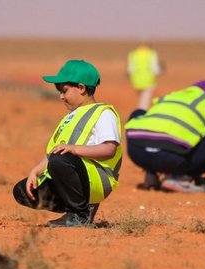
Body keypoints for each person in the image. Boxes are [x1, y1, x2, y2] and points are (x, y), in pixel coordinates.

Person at [12, 60, 122, 227]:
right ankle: (83, 207)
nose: (61, 96)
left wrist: (74, 149)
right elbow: (56, 152)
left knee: (60, 160)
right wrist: (36, 170)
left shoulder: (103, 113)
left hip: (97, 180)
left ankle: (80, 215)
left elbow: (109, 149)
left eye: (64, 91)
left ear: (81, 88)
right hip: (71, 173)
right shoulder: (71, 117)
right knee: (22, 191)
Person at [125, 81, 205, 193]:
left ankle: (151, 173)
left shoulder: (173, 96)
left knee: (139, 113)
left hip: (137, 151)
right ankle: (179, 178)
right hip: (171, 158)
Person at [127, 41, 162, 110]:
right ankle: (141, 116)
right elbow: (154, 69)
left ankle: (138, 114)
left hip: (136, 82)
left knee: (140, 101)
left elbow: (131, 70)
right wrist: (161, 70)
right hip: (148, 82)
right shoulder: (151, 54)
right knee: (144, 104)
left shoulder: (133, 54)